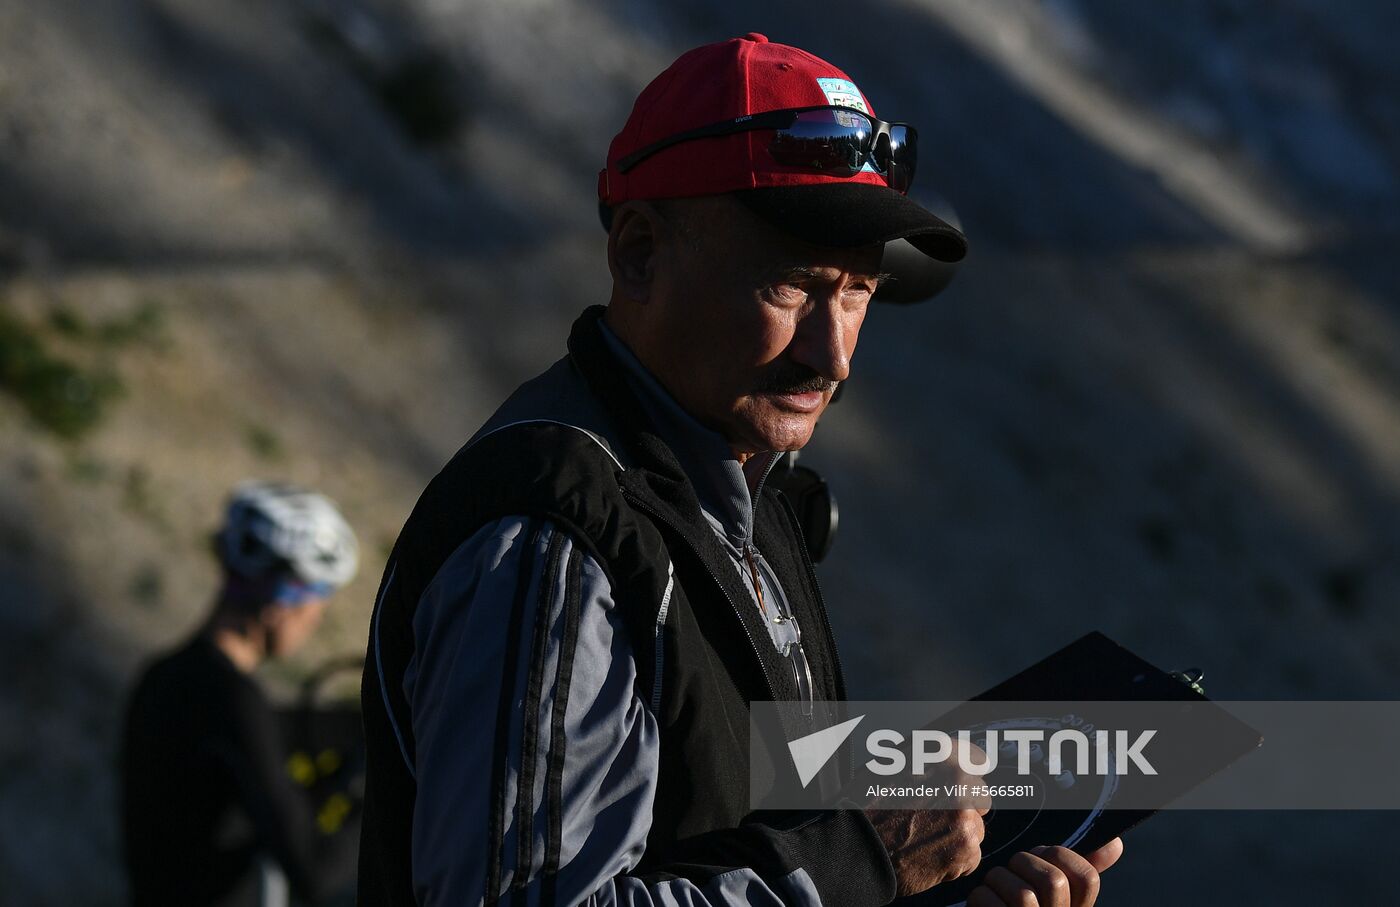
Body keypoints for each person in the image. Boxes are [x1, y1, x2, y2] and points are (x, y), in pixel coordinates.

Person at [358, 34, 1123, 907]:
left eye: (858, 292)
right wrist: (861, 864)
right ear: (640, 252)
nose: (832, 356)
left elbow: (735, 828)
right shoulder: (553, 538)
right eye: (793, 284)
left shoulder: (739, 492)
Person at [121, 481, 363, 906]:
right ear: (283, 600)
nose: (316, 620)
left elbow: (279, 732)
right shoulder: (234, 701)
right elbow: (315, 870)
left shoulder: (164, 678)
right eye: (319, 601)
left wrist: (369, 724)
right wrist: (387, 799)